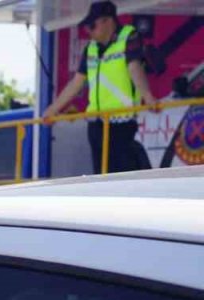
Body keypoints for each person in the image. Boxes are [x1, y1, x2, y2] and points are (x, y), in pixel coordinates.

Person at [42, 1, 159, 174]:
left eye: (92, 26)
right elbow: (76, 83)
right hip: (96, 123)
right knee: (102, 175)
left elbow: (134, 68)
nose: (88, 31)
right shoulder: (90, 49)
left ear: (108, 21)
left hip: (122, 121)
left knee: (123, 174)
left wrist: (147, 96)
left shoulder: (128, 37)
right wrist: (53, 109)